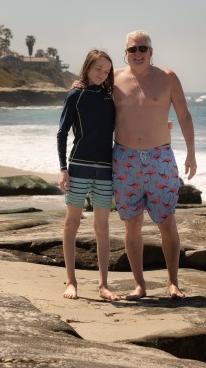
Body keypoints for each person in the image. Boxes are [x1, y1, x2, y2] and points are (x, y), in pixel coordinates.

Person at [112, 30, 196, 300]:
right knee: (132, 225)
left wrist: (191, 153)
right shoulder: (114, 79)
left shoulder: (167, 77)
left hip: (160, 158)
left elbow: (184, 115)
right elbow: (92, 106)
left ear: (151, 51)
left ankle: (173, 282)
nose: (137, 53)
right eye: (132, 49)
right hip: (124, 159)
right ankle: (139, 285)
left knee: (167, 222)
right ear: (125, 53)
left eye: (142, 48)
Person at [57, 49, 121, 302]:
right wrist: (63, 169)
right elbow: (62, 133)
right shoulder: (76, 95)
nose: (102, 74)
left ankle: (103, 285)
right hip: (79, 167)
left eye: (107, 71)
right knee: (72, 223)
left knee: (102, 227)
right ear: (87, 67)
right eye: (98, 69)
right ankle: (71, 281)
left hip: (105, 169)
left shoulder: (110, 96)